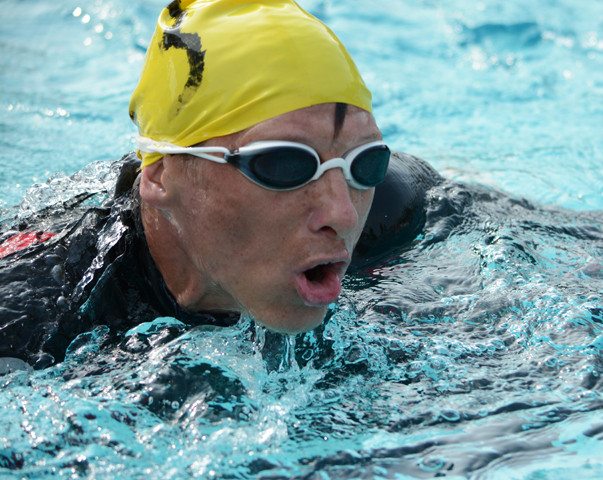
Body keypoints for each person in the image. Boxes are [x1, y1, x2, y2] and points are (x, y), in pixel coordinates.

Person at [0, 0, 441, 372]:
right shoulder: (32, 312)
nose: (343, 214)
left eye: (364, 162)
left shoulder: (391, 203)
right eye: (286, 164)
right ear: (160, 174)